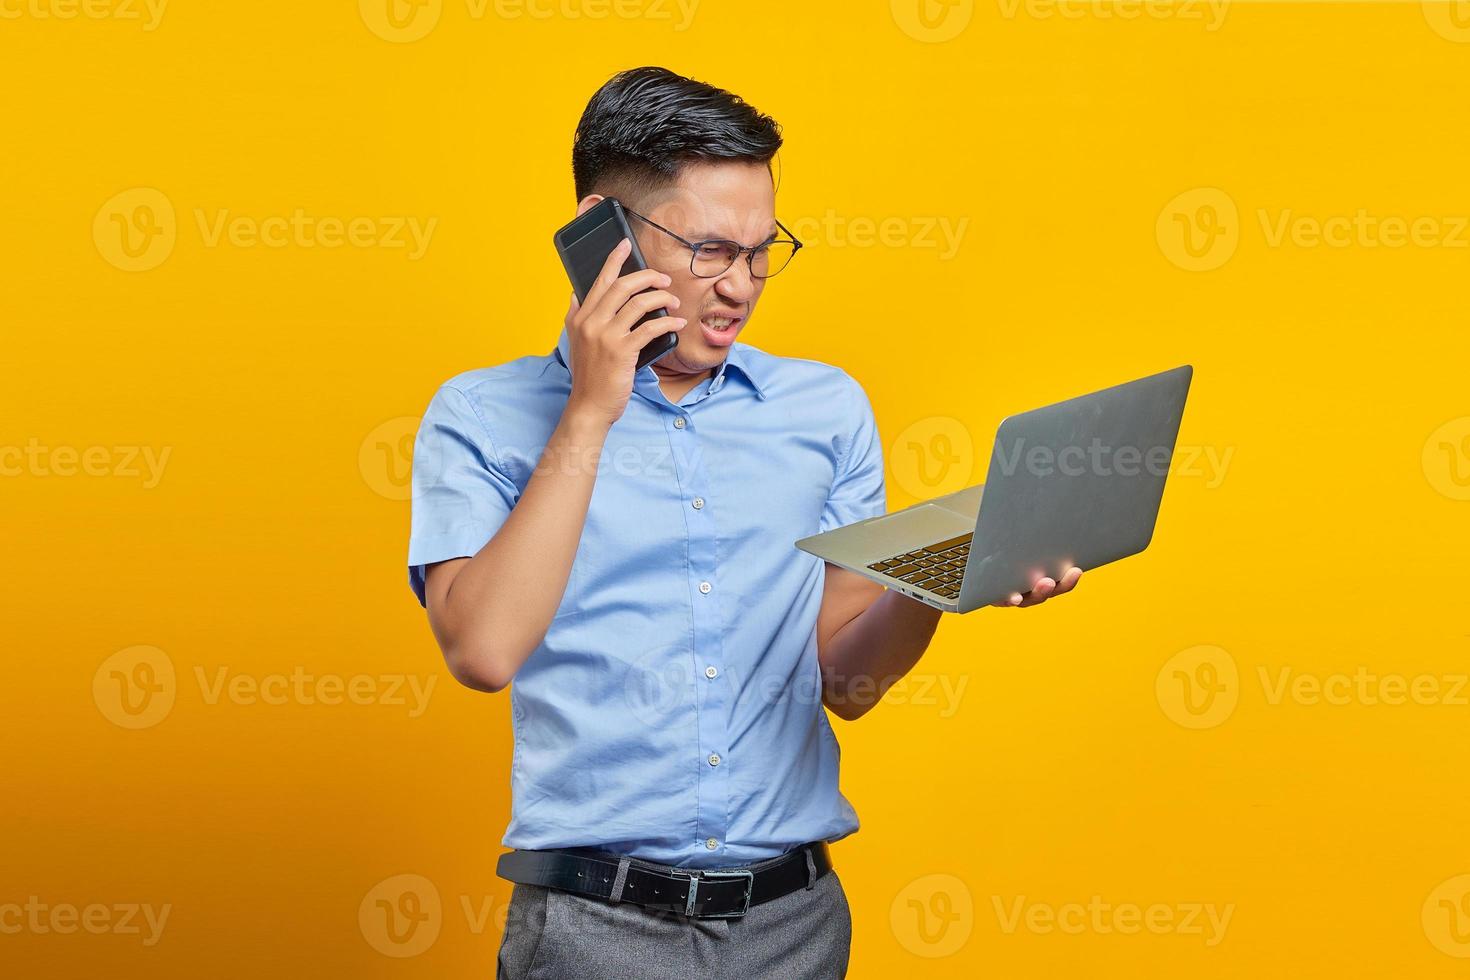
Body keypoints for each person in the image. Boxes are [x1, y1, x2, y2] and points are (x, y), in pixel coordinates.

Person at [407, 66, 1082, 979]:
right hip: (594, 933)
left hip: (794, 928)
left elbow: (842, 682)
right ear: (601, 231)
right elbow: (482, 651)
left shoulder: (826, 409)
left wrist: (939, 584)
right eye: (713, 250)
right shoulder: (482, 415)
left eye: (765, 250)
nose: (743, 287)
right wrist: (591, 409)